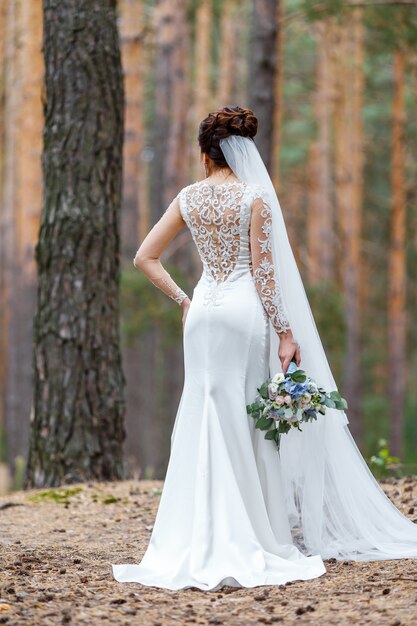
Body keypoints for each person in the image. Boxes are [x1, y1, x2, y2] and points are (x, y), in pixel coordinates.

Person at [112, 106, 417, 592]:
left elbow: (144, 256)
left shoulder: (188, 198)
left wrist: (184, 300)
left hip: (204, 313)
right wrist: (286, 333)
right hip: (241, 313)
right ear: (241, 150)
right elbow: (264, 275)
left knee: (203, 411)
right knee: (242, 415)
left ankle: (194, 534)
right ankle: (251, 531)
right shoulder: (255, 196)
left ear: (204, 151)